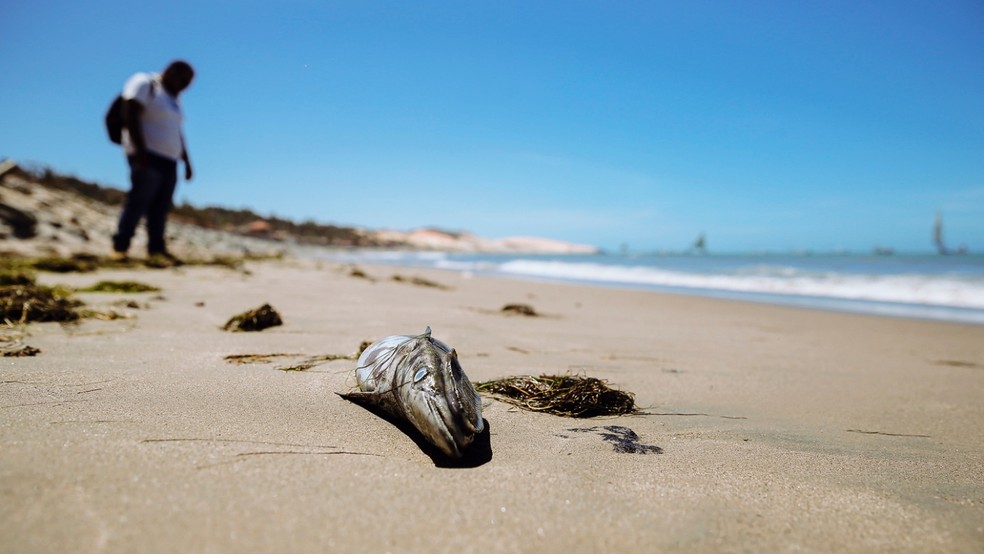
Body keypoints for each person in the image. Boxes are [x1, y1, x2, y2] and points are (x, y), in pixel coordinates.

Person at [111, 60, 195, 263]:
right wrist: (140, 152)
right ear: (170, 71)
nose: (184, 85)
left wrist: (187, 161)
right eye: (182, 78)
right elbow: (130, 113)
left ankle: (156, 249)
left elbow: (177, 133)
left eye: (188, 83)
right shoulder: (145, 83)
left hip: (170, 160)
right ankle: (120, 247)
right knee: (139, 201)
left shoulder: (174, 99)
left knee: (161, 206)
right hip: (146, 155)